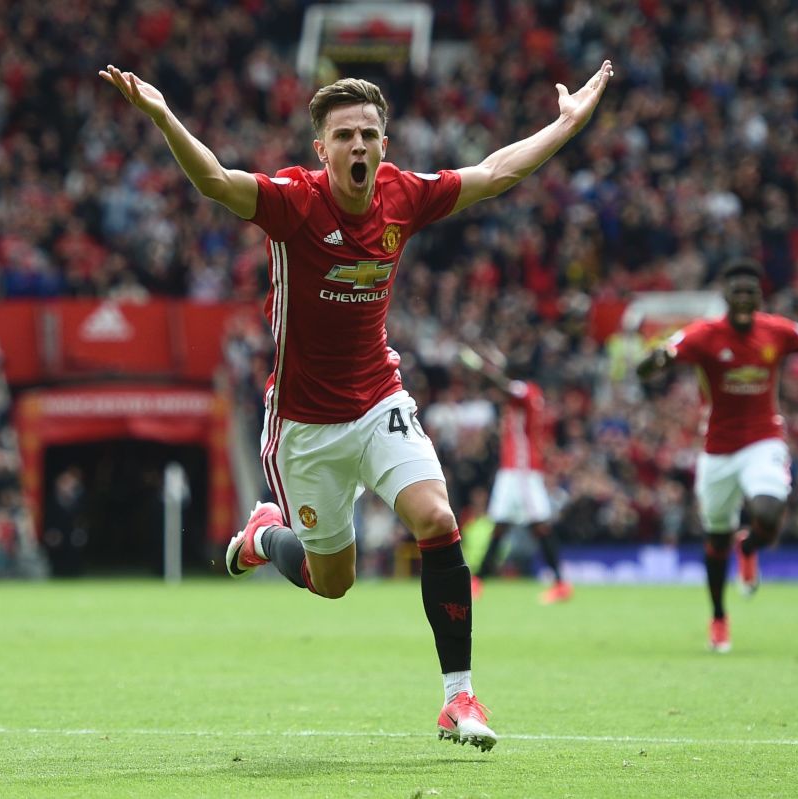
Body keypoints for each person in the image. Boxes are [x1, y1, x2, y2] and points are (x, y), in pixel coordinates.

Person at [99, 59, 614, 751]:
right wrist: (165, 117)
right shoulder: (294, 200)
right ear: (322, 148)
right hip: (304, 425)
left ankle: (457, 695)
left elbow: (495, 174)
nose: (360, 146)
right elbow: (217, 182)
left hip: (379, 399)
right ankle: (262, 536)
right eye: (345, 135)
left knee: (436, 516)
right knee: (331, 581)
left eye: (370, 133)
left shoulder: (402, 195)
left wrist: (565, 123)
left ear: (385, 144)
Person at [636, 258, 798, 653]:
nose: (744, 299)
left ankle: (749, 546)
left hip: (763, 439)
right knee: (715, 538)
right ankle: (719, 617)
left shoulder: (777, 331)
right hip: (716, 450)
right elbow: (649, 367)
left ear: (759, 296)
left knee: (768, 513)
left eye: (750, 292)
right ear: (725, 296)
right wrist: (657, 361)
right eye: (737, 292)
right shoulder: (703, 335)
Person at [458, 346, 571, 605]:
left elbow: (503, 384)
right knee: (500, 525)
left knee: (539, 524)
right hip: (512, 470)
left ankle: (561, 583)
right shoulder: (528, 391)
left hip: (522, 471)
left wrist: (479, 366)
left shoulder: (527, 390)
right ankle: (477, 581)